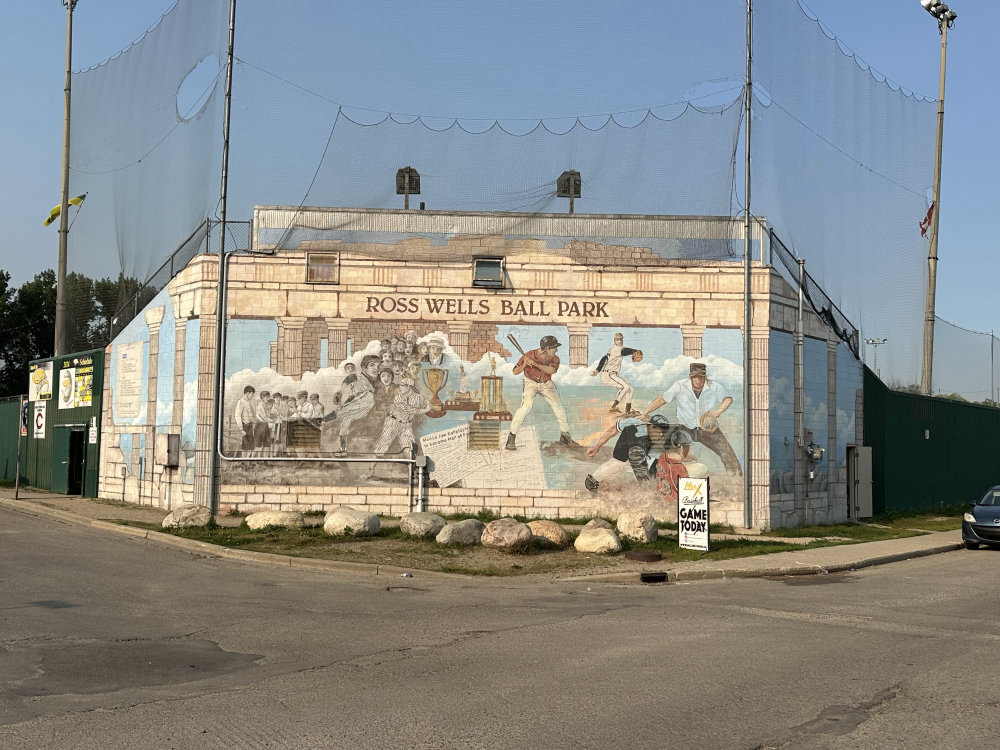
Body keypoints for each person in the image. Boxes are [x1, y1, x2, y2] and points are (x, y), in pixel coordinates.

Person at [640, 362, 742, 476]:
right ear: (690, 376)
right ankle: (655, 477)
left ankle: (736, 478)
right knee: (666, 452)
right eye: (695, 377)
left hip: (707, 429)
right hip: (685, 428)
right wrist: (645, 412)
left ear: (705, 376)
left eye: (701, 376)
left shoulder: (714, 386)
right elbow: (662, 399)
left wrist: (718, 411)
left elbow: (727, 399)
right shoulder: (679, 385)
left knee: (727, 452)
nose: (699, 380)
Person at [505, 335, 581, 451]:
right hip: (530, 383)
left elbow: (551, 371)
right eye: (554, 347)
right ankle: (511, 437)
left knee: (559, 408)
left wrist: (535, 364)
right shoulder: (529, 354)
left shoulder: (555, 358)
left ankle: (565, 437)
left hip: (546, 383)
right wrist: (525, 363)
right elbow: (515, 371)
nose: (556, 350)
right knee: (526, 407)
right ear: (546, 348)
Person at [584, 414, 683, 490]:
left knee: (651, 484)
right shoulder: (633, 424)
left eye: (663, 431)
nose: (660, 434)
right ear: (650, 426)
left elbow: (659, 462)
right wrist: (597, 446)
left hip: (641, 466)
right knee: (591, 482)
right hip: (621, 461)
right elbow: (613, 430)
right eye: (658, 430)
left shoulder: (660, 443)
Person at [364, 377, 430, 479]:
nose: (400, 387)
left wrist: (429, 406)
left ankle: (412, 476)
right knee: (381, 447)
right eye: (400, 385)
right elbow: (411, 410)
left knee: (410, 449)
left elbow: (429, 405)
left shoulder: (419, 398)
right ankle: (370, 471)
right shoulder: (399, 397)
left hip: (406, 425)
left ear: (409, 387)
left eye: (403, 386)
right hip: (392, 422)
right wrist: (424, 409)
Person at [323, 355, 380, 455]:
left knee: (344, 411)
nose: (376, 368)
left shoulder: (375, 381)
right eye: (372, 365)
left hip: (365, 404)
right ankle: (343, 449)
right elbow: (349, 378)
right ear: (364, 367)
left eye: (378, 366)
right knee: (345, 422)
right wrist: (340, 392)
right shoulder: (359, 376)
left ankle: (322, 421)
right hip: (362, 403)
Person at [591, 332, 643, 415]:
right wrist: (635, 351)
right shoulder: (615, 349)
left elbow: (604, 358)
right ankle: (613, 407)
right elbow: (624, 351)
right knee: (624, 387)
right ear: (614, 341)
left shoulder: (618, 348)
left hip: (613, 374)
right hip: (607, 375)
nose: (619, 341)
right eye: (617, 339)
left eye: (621, 339)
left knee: (630, 389)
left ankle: (627, 410)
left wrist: (597, 370)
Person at [234, 385, 257, 455]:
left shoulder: (248, 402)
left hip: (250, 426)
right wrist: (241, 429)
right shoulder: (240, 402)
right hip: (245, 426)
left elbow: (251, 415)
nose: (252, 396)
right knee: (245, 446)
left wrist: (253, 421)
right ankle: (244, 463)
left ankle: (248, 462)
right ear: (247, 393)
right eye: (252, 394)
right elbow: (237, 416)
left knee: (251, 446)